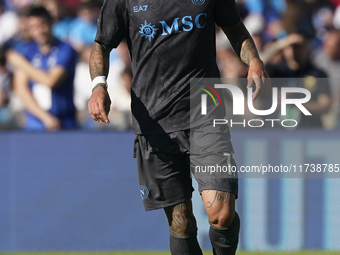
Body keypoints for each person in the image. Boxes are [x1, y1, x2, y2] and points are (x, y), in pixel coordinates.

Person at [88, 0, 270, 254]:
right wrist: (99, 85)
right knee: (181, 223)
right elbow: (102, 44)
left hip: (205, 112)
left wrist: (254, 61)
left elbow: (235, 28)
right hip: (154, 121)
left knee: (221, 213)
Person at [7, 6, 77, 131]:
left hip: (65, 121)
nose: (39, 31)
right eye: (33, 27)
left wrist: (21, 63)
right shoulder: (27, 51)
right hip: (36, 123)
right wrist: (45, 117)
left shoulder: (65, 49)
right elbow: (21, 88)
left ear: (51, 22)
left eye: (42, 24)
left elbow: (51, 81)